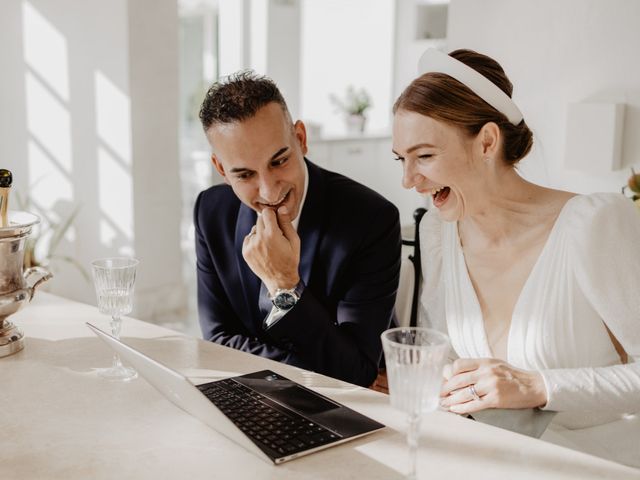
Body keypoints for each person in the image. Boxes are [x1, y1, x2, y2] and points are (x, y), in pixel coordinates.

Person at [392, 48, 640, 467]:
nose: (408, 180)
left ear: (488, 141)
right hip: (487, 460)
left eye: (425, 156)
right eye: (402, 159)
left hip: (594, 464)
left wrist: (539, 385)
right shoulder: (438, 233)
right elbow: (443, 357)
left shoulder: (592, 224)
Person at [195, 71, 401, 387]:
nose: (268, 190)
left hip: (343, 406)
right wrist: (309, 366)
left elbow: (355, 372)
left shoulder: (371, 219)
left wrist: (284, 285)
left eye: (278, 162)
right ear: (221, 169)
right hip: (255, 395)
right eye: (245, 175)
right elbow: (216, 339)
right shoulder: (211, 213)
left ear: (301, 139)